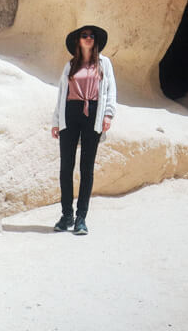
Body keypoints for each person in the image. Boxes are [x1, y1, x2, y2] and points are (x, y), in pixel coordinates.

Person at [51, 24, 116, 235]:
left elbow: (111, 90)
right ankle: (66, 215)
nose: (88, 38)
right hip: (70, 112)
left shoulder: (104, 63)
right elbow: (62, 93)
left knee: (86, 168)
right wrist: (55, 121)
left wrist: (108, 114)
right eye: (84, 35)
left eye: (91, 36)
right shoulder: (70, 65)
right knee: (65, 167)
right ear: (78, 40)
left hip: (93, 113)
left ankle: (81, 218)